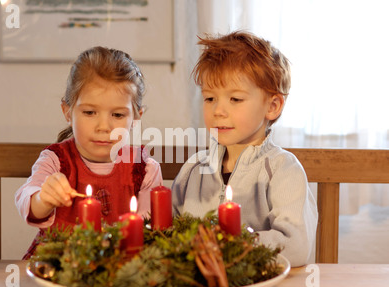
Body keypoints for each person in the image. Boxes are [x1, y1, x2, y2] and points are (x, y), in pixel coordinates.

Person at [171, 31, 318, 267]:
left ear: (272, 106)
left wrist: (230, 245)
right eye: (210, 98)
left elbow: (296, 244)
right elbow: (166, 234)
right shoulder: (193, 170)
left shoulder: (283, 170)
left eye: (235, 99)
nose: (218, 110)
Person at [16, 47, 162, 259]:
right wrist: (44, 199)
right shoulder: (55, 161)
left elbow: (148, 233)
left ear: (136, 118)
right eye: (90, 112)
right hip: (60, 266)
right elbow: (28, 203)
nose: (104, 126)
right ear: (68, 112)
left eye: (118, 114)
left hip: (118, 267)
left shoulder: (145, 169)